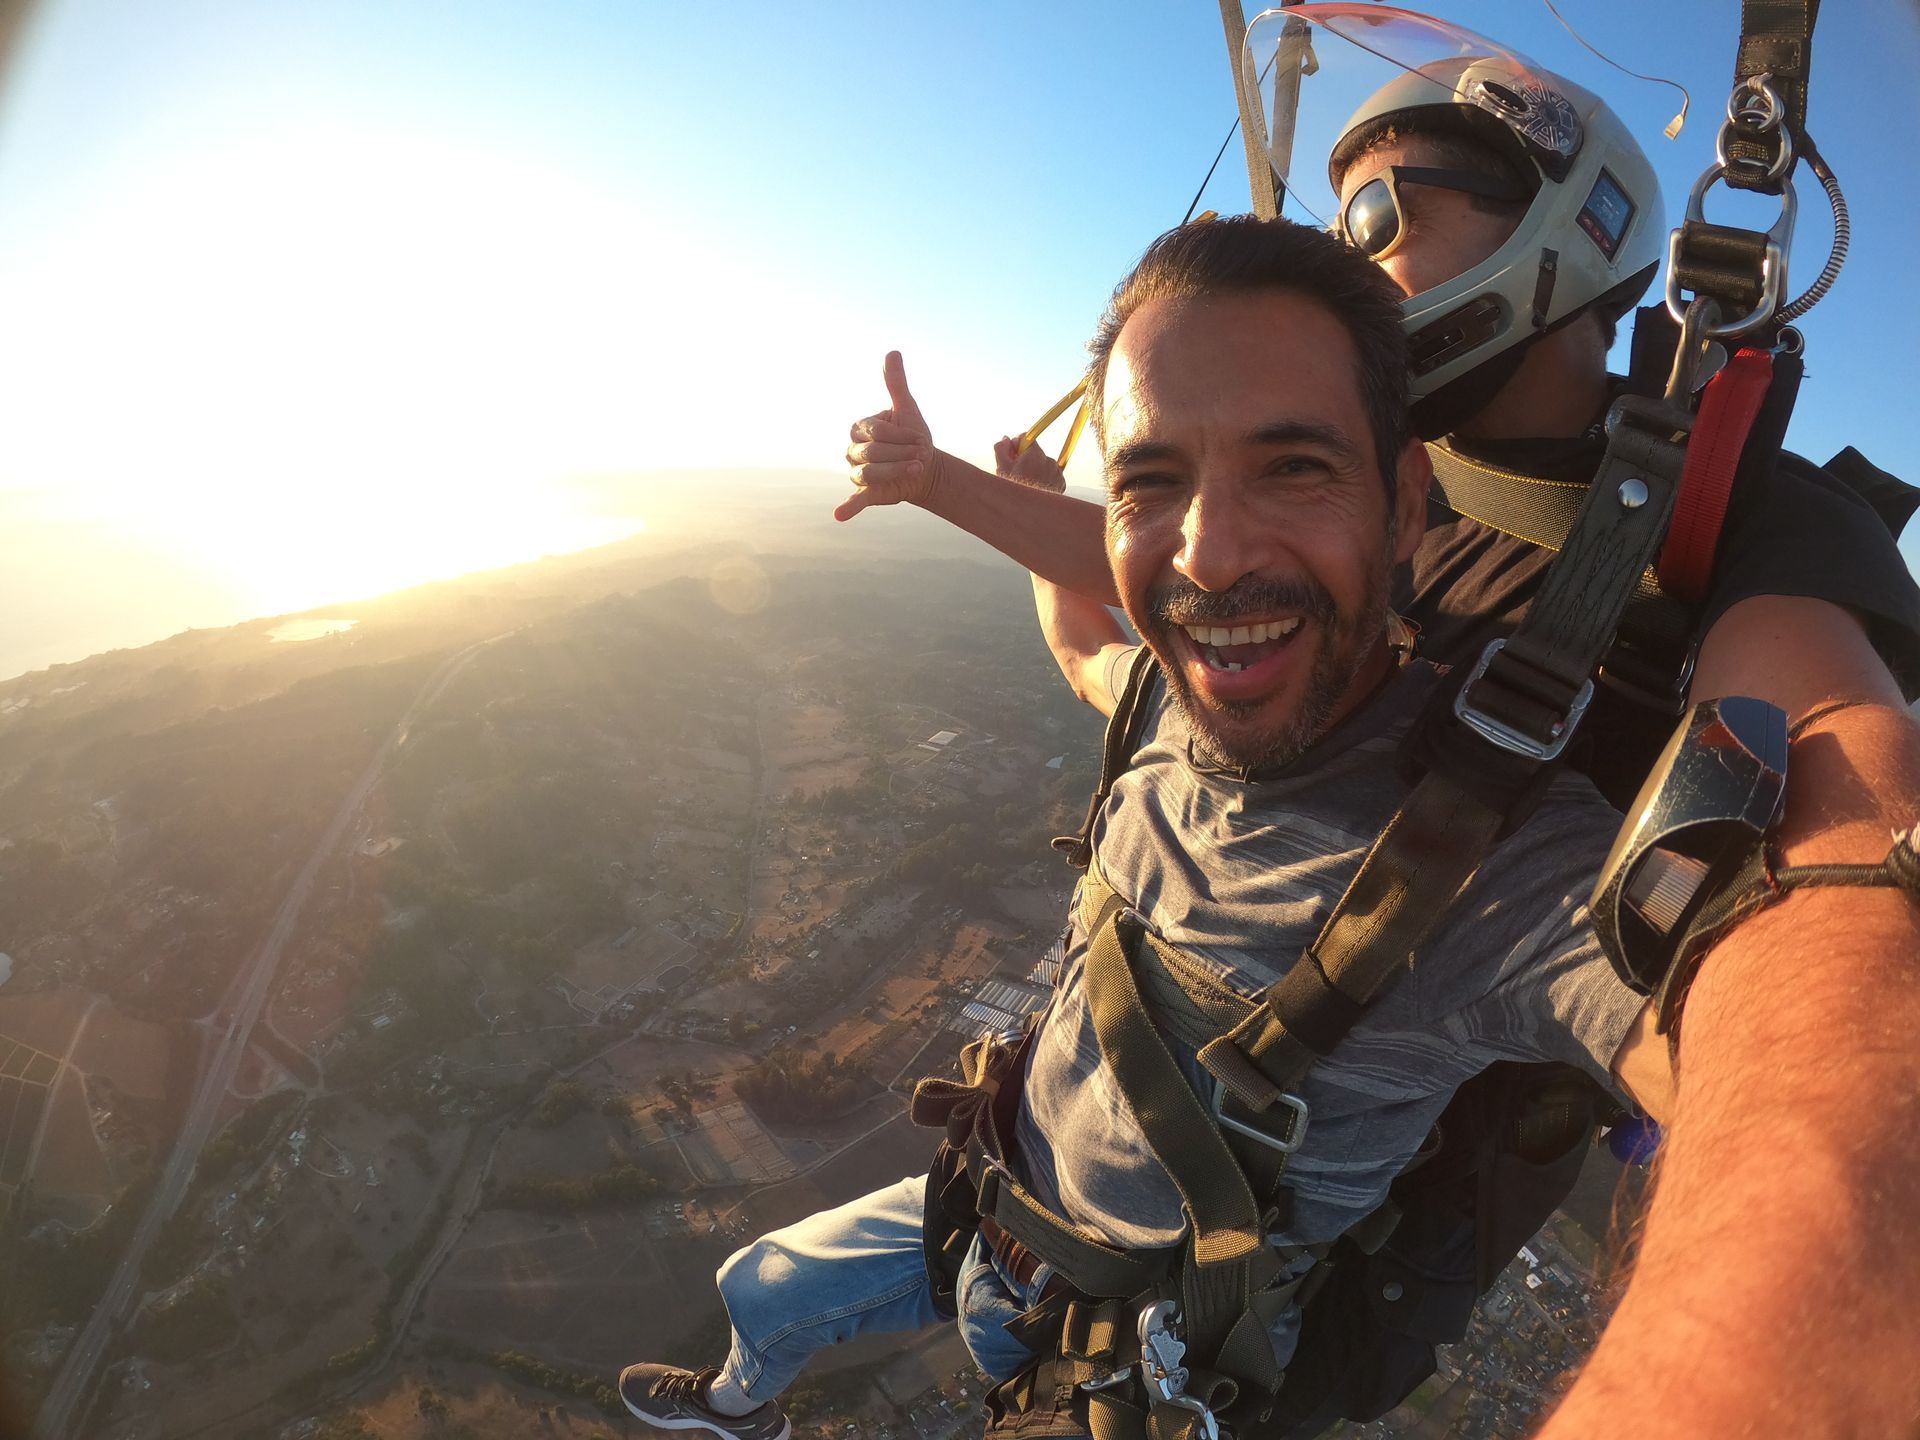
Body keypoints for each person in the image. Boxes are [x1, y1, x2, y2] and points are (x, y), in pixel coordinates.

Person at [837, 51, 1920, 1439]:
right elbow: (1173, 571)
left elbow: (1835, 803)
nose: (1351, 251)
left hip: (1361, 1217)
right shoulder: (1397, 473)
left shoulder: (1749, 525)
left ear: (1569, 227)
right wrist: (943, 488)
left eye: (1379, 214)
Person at [619, 216, 1677, 1440]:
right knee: (763, 1287)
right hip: (989, 1199)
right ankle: (738, 1410)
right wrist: (984, 493)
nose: (1211, 557)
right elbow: (1081, 641)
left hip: (1140, 1363)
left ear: (1405, 510)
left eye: (1293, 467)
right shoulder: (1167, 709)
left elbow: (1754, 1073)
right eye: (1151, 482)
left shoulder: (1502, 867)